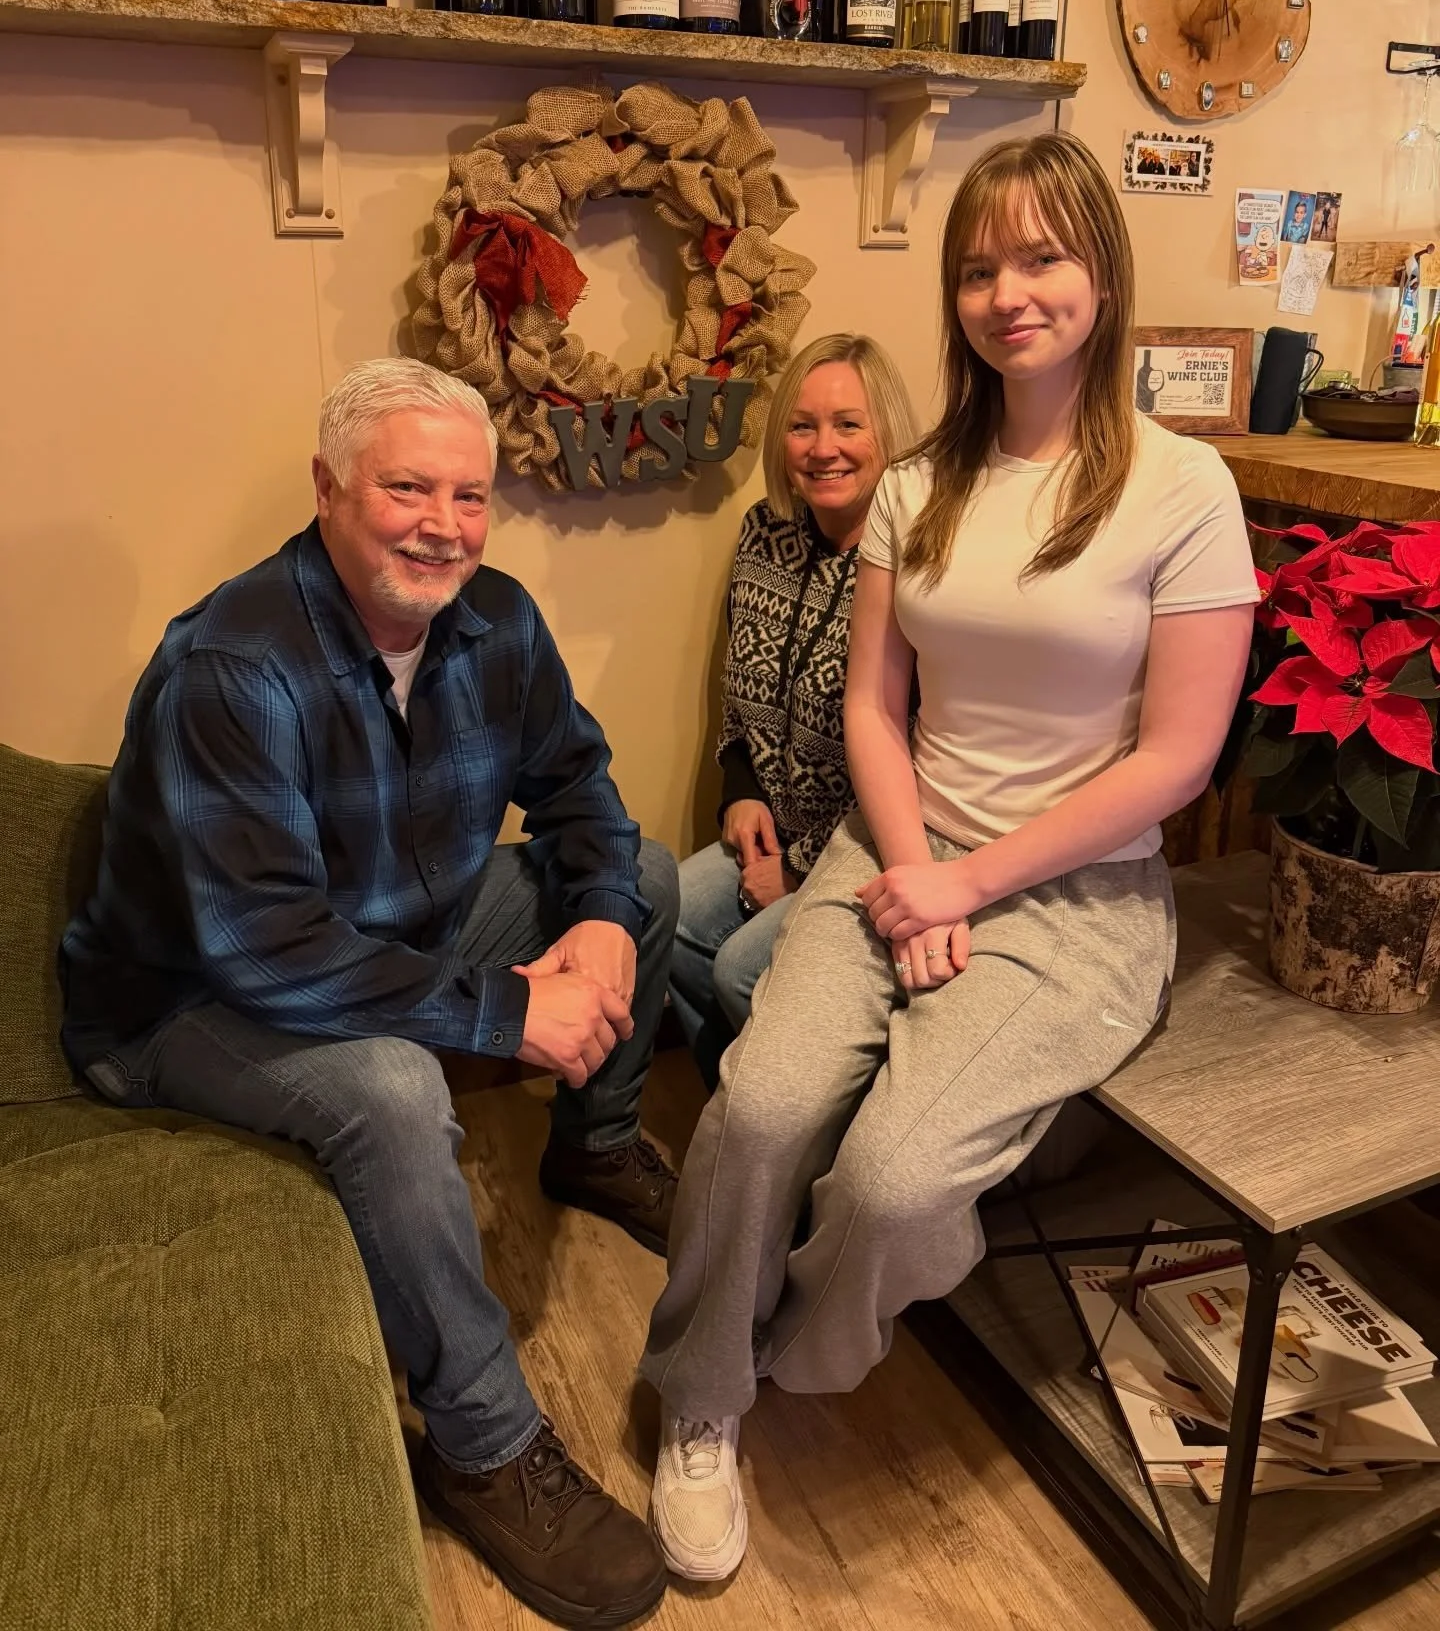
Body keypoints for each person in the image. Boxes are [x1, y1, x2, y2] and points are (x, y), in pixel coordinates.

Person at [640, 131, 1259, 1582]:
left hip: (1077, 895)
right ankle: (698, 1399)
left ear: (1102, 270)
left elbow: (1174, 761)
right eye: (979, 267)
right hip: (893, 849)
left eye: (1041, 258)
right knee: (760, 1106)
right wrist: (909, 873)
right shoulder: (919, 487)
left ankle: (786, 1353)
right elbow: (874, 704)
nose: (1008, 294)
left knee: (898, 1191)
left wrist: (968, 889)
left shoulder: (1181, 490)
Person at [60, 360, 676, 1628]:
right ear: (330, 488)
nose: (443, 525)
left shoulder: (496, 619)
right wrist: (509, 1015)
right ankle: (484, 1443)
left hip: (403, 922)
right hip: (191, 1000)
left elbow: (577, 791)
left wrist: (605, 924)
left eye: (470, 494)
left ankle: (597, 1145)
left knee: (655, 879)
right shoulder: (232, 665)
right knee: (393, 1091)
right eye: (407, 487)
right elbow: (270, 946)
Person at [668, 334, 918, 1089]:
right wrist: (739, 788)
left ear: (888, 436)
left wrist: (804, 873)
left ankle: (803, 1140)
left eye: (849, 424)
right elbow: (739, 686)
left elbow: (918, 754)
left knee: (745, 970)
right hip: (775, 827)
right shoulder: (765, 533)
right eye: (803, 426)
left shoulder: (918, 561)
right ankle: (735, 1111)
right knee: (667, 916)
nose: (822, 448)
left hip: (870, 848)